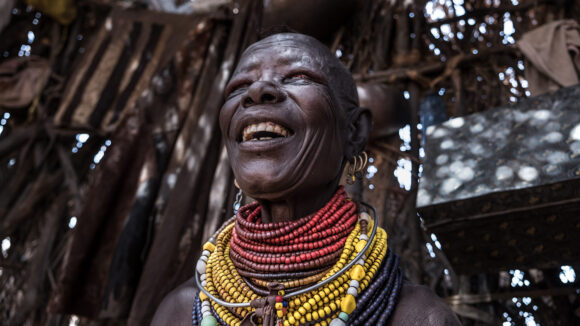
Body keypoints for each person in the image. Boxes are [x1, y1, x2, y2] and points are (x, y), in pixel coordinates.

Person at [152, 33, 461, 326]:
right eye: (239, 86)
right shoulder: (179, 311)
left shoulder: (417, 316)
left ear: (354, 133)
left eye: (298, 77)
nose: (257, 91)